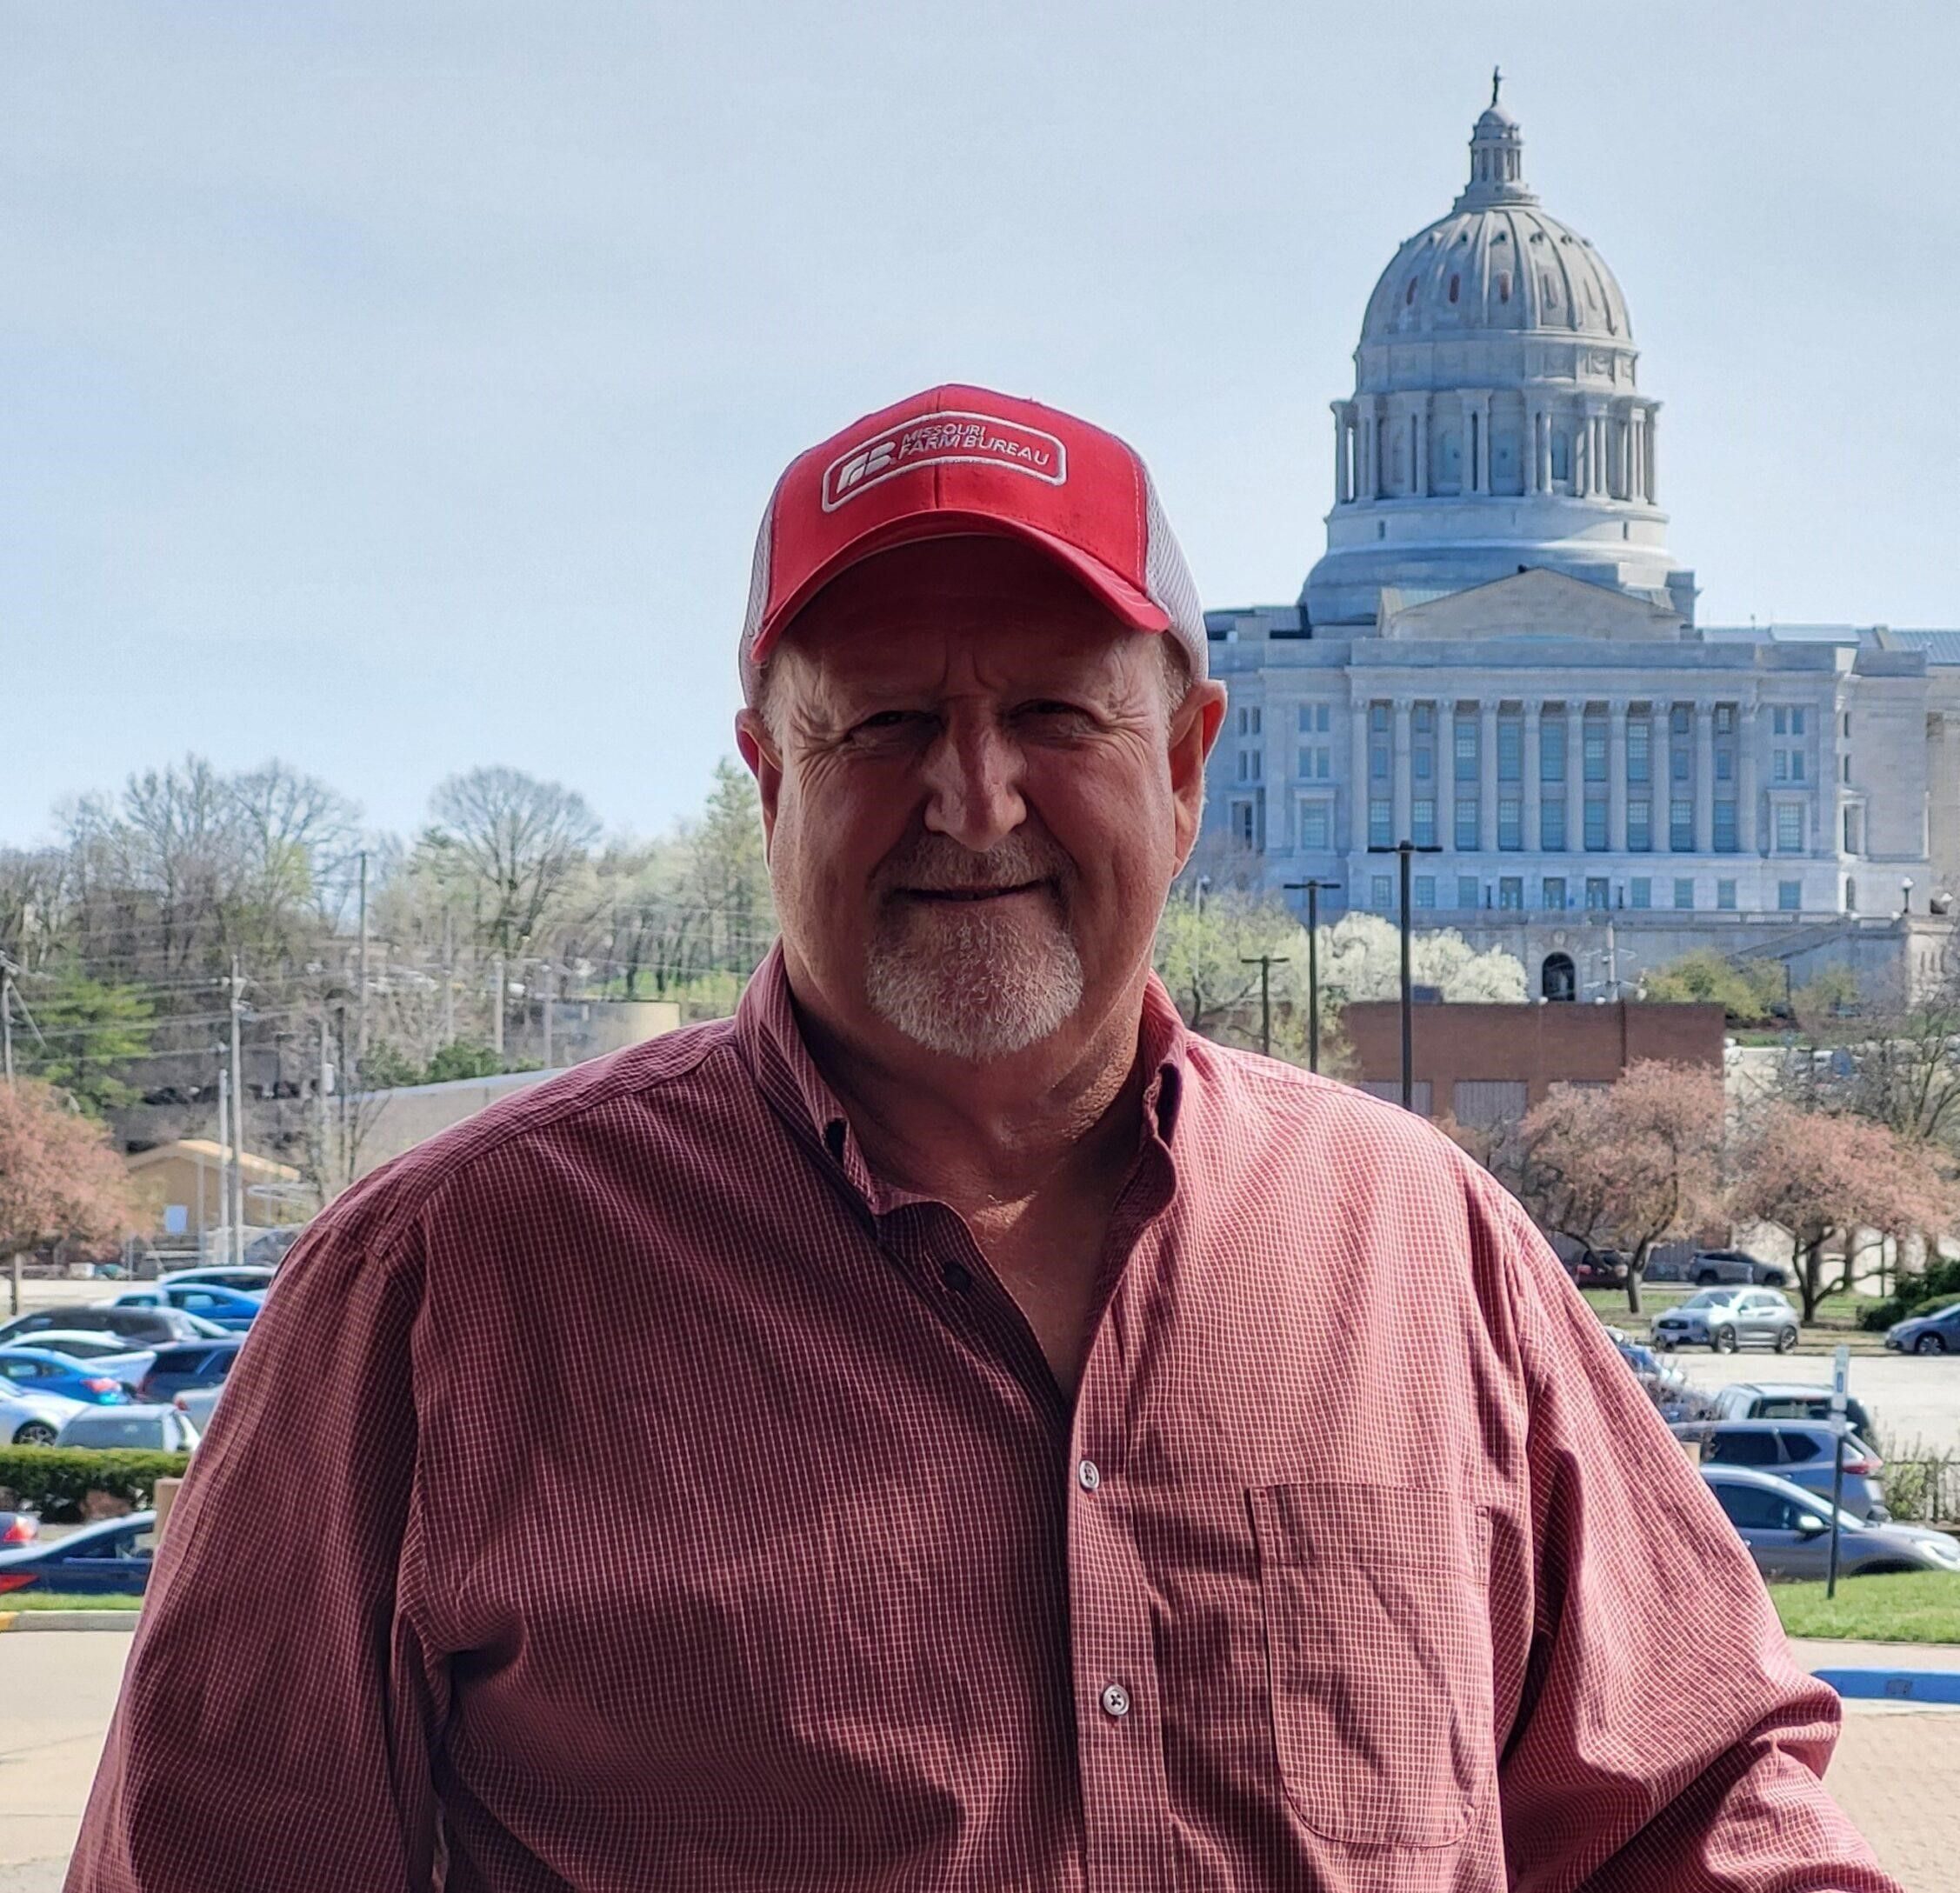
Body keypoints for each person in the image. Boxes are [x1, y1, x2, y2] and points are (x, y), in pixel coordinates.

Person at [69, 384, 1898, 1892]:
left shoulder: (1420, 1248)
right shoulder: (437, 1287)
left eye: (1049, 713)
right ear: (768, 775)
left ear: (1187, 762)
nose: (971, 795)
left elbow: (1690, 1805)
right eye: (880, 722)